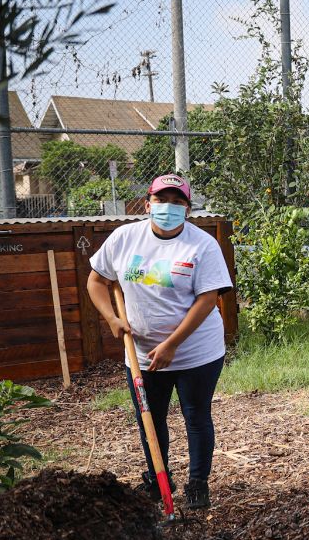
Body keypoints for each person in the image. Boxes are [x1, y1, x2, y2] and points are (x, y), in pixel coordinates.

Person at [86, 174, 233, 510]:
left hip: (196, 351)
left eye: (177, 201)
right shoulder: (125, 238)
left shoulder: (202, 245)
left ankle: (197, 484)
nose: (168, 207)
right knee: (150, 417)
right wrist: (111, 318)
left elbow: (208, 299)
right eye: (161, 200)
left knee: (195, 415)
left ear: (187, 208)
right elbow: (96, 281)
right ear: (148, 203)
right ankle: (157, 479)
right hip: (140, 353)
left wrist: (172, 344)